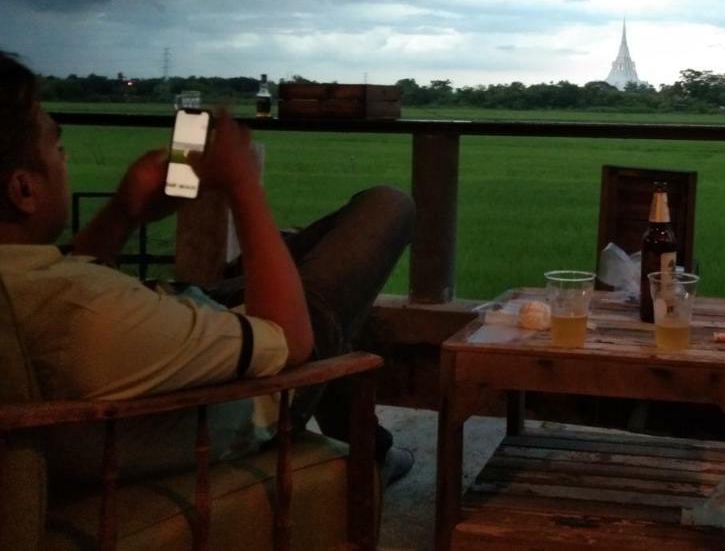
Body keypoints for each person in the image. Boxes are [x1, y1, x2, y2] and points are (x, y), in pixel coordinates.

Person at [0, 51, 416, 485]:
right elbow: (289, 340)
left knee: (292, 244)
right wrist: (242, 185)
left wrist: (123, 211)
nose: (65, 161)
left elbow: (74, 276)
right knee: (387, 206)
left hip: (182, 318)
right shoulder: (88, 313)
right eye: (58, 149)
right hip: (263, 386)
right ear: (23, 189)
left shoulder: (26, 287)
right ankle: (368, 459)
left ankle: (371, 449)